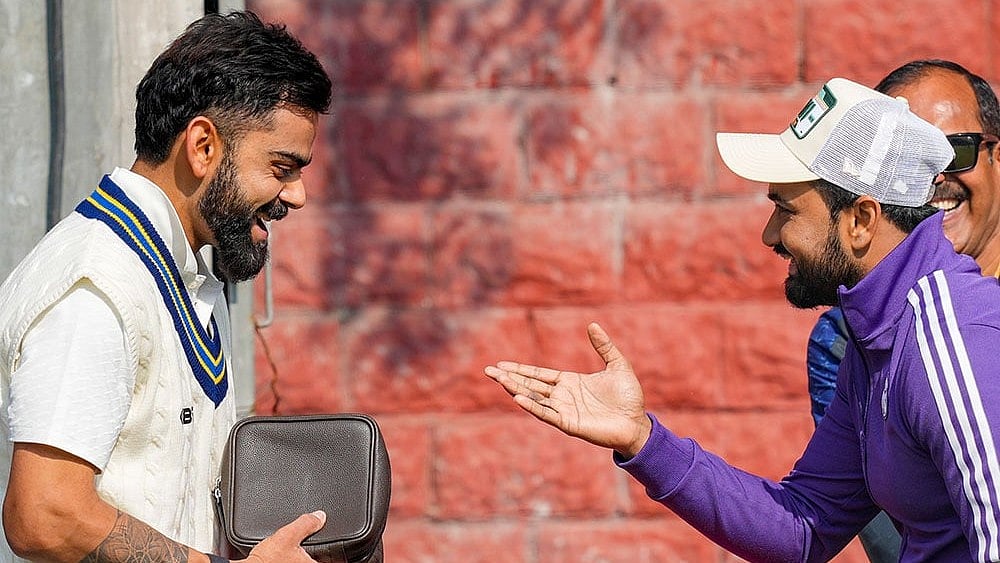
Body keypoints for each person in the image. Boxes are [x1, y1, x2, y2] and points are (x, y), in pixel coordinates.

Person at [486, 77, 1000, 561]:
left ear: (861, 220)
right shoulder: (878, 332)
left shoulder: (953, 339)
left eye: (787, 210)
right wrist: (641, 439)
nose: (769, 235)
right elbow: (803, 527)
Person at [0, 11, 332, 563]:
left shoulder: (190, 272)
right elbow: (45, 516)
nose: (296, 196)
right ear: (203, 146)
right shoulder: (97, 282)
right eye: (281, 167)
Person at [805, 59, 1000, 562]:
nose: (933, 179)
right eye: (903, 159)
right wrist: (645, 443)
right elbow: (838, 522)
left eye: (955, 151)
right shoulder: (855, 337)